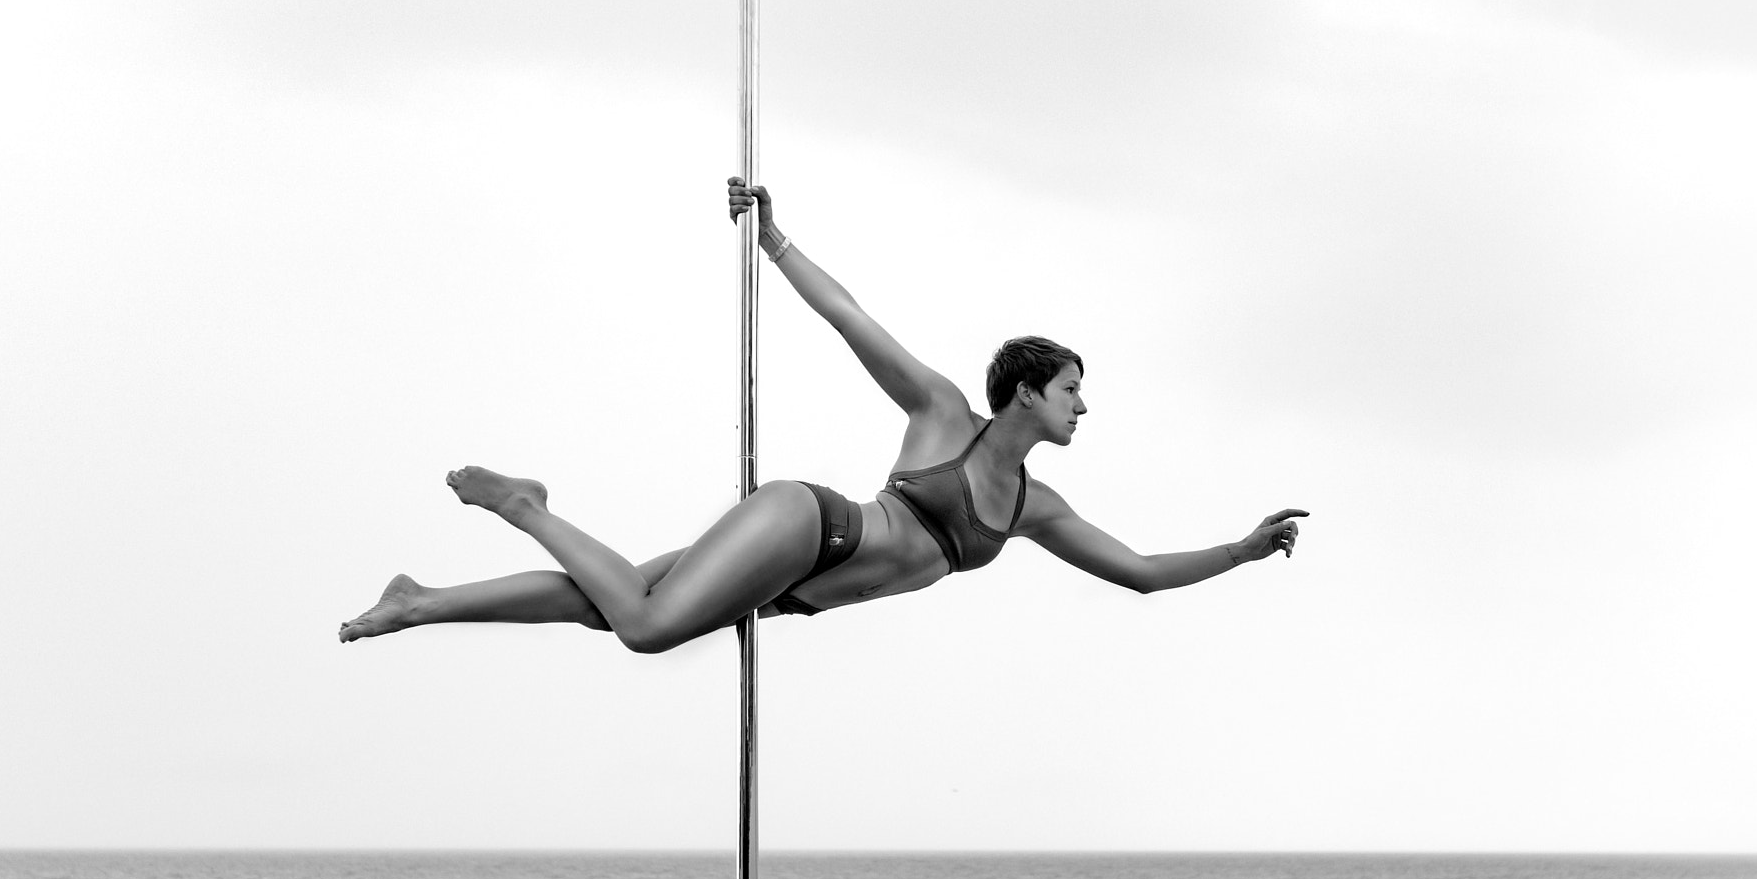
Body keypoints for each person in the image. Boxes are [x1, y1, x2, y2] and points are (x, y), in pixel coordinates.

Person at [338, 180, 1306, 654]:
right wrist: (776, 240)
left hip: (797, 583)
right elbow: (851, 319)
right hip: (812, 524)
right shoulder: (942, 415)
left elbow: (1137, 575)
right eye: (1070, 391)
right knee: (644, 628)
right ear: (1023, 391)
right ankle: (523, 504)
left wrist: (1245, 550)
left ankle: (418, 602)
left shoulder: (1038, 507)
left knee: (611, 602)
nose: (1082, 406)